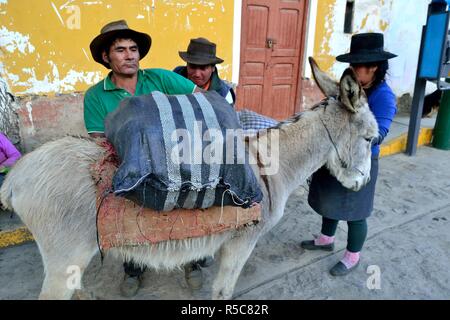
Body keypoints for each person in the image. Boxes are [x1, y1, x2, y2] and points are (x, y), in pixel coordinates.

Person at [84, 20, 201, 297]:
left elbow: (201, 99)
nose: (130, 55)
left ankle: (192, 262)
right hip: (129, 168)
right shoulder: (96, 96)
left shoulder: (161, 79)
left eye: (133, 49)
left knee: (188, 211)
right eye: (121, 50)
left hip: (175, 161)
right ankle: (134, 268)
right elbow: (100, 142)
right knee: (130, 218)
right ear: (106, 57)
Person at [301, 33, 398, 276]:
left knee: (356, 212)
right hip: (335, 155)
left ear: (374, 67)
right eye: (351, 65)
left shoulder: (383, 96)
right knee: (329, 201)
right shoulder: (352, 88)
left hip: (358, 160)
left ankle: (352, 256)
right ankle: (326, 240)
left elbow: (379, 133)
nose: (353, 70)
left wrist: (349, 131)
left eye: (358, 66)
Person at [174, 37, 235, 105]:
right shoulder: (174, 78)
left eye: (203, 68)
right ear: (187, 64)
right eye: (192, 66)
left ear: (213, 68)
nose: (197, 74)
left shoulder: (224, 95)